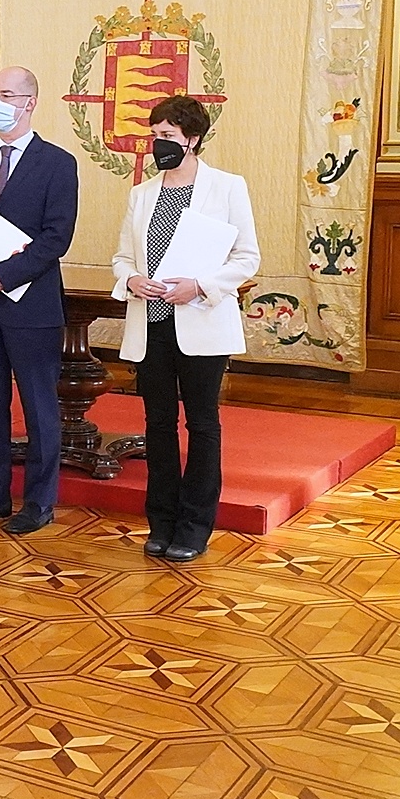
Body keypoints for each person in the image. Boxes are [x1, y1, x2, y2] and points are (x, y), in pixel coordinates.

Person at [110, 95, 259, 563]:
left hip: (202, 323)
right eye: (154, 135)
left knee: (202, 423)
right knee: (157, 425)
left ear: (192, 138)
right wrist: (130, 280)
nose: (159, 144)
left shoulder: (227, 187)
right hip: (151, 325)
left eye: (168, 136)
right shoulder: (141, 193)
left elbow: (247, 258)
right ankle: (161, 521)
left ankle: (195, 526)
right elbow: (122, 257)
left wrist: (200, 286)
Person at [0, 67, 80, 535]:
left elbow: (56, 237)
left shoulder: (57, 163)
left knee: (39, 407)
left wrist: (3, 276)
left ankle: (39, 502)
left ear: (30, 102)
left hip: (31, 306)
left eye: (6, 94)